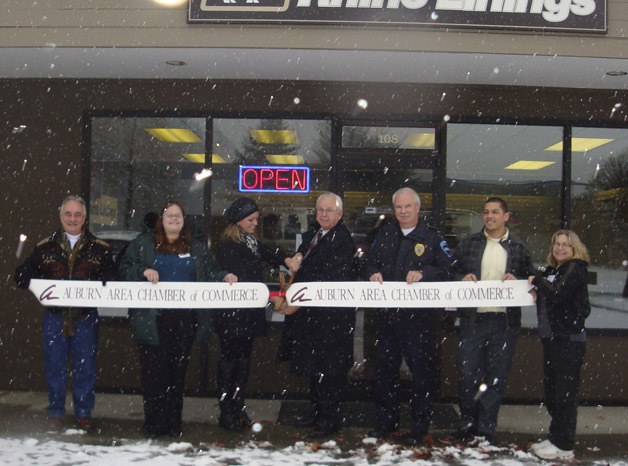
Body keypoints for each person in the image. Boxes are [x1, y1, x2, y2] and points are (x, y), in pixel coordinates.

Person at [118, 200, 237, 438]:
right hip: (152, 321)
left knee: (177, 374)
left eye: (178, 216)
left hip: (184, 321)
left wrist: (224, 276)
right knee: (153, 375)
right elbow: (123, 268)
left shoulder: (196, 248)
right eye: (169, 216)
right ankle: (154, 424)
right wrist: (142, 271)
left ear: (184, 221)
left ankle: (173, 424)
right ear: (161, 220)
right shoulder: (143, 244)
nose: (173, 220)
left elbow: (209, 272)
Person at [14, 195, 115, 432]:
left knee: (85, 367)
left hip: (85, 317)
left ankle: (83, 412)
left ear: (85, 218)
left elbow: (112, 276)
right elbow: (24, 274)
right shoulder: (44, 247)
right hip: (54, 316)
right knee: (54, 366)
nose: (72, 218)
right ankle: (56, 412)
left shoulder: (100, 249)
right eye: (68, 214)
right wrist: (25, 276)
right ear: (61, 217)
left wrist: (104, 280)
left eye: (77, 214)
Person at [365, 187, 452, 446]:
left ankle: (419, 427)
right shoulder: (384, 235)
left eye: (407, 207)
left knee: (421, 374)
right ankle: (386, 424)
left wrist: (424, 272)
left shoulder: (433, 238)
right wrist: (372, 273)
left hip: (420, 321)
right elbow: (369, 263)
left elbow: (449, 269)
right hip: (388, 319)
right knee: (385, 373)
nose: (403, 211)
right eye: (398, 207)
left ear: (417, 208)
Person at [214, 197, 301, 431]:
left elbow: (269, 252)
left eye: (257, 219)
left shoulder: (250, 242)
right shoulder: (228, 246)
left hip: (248, 314)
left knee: (243, 362)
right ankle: (226, 411)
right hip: (232, 314)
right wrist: (270, 296)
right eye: (251, 219)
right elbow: (245, 279)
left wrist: (286, 259)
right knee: (230, 362)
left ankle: (238, 406)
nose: (255, 223)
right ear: (239, 221)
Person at [451, 197, 534, 444]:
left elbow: (532, 276)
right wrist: (460, 277)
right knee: (467, 375)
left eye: (495, 212)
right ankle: (467, 426)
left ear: (506, 216)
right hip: (473, 320)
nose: (490, 216)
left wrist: (518, 278)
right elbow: (450, 271)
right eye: (486, 212)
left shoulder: (518, 247)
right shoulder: (469, 244)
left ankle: (487, 430)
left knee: (495, 378)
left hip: (504, 323)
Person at [277, 192, 357, 438]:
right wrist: (299, 255)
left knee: (330, 371)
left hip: (332, 320)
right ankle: (317, 413)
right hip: (312, 319)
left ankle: (329, 420)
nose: (323, 214)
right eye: (320, 210)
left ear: (339, 214)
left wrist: (296, 304)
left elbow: (327, 280)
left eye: (329, 210)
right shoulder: (316, 233)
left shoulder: (342, 241)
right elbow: (304, 255)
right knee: (315, 370)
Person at [527, 230, 591, 461]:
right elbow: (545, 287)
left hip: (568, 341)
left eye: (566, 245)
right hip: (553, 340)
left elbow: (557, 293)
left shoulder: (575, 268)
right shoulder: (554, 270)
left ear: (575, 249)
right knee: (553, 392)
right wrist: (535, 284)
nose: (560, 248)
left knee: (565, 394)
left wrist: (537, 282)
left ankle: (564, 446)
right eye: (557, 244)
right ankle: (556, 437)